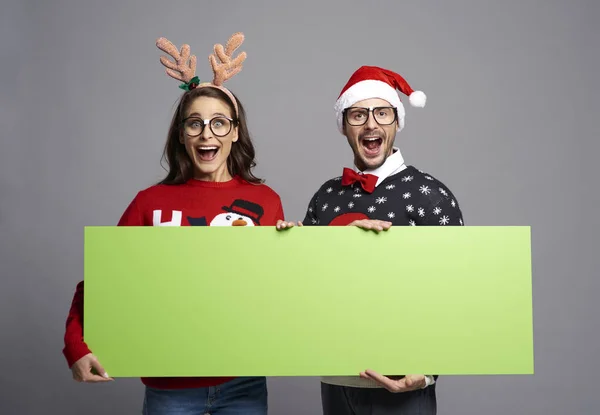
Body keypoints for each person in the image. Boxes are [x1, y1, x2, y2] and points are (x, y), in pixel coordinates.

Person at [62, 32, 283, 415]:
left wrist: (294, 248)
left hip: (244, 383)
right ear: (181, 135)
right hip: (170, 387)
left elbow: (278, 287)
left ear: (234, 132)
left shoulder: (266, 202)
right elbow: (103, 280)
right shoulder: (150, 203)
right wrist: (76, 346)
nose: (206, 133)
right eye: (194, 124)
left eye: (218, 123)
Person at [277, 65, 464, 414]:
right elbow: (307, 288)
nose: (371, 124)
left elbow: (454, 287)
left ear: (396, 122)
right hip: (336, 378)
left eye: (382, 113)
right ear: (344, 126)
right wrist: (290, 248)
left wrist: (426, 372)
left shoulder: (430, 195)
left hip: (403, 383)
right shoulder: (326, 196)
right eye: (358, 115)